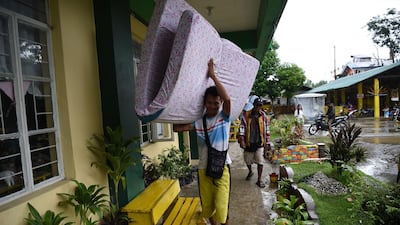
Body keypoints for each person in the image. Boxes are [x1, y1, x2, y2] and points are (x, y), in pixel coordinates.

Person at [173, 58, 231, 225]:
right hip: (203, 168)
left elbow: (227, 99)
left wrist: (212, 75)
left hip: (222, 167)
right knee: (208, 206)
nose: (213, 106)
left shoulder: (224, 118)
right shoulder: (199, 122)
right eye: (209, 103)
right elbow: (177, 128)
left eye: (216, 103)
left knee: (222, 206)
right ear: (204, 104)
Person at [238, 97, 269, 188]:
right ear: (254, 105)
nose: (258, 107)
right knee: (248, 160)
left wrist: (267, 143)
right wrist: (242, 140)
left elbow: (267, 130)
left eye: (260, 105)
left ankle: (259, 180)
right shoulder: (246, 115)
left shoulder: (263, 116)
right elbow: (242, 128)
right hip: (249, 142)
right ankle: (250, 171)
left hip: (259, 142)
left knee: (260, 161)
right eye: (257, 105)